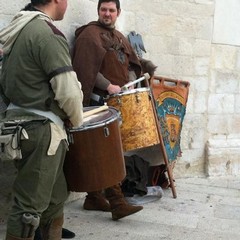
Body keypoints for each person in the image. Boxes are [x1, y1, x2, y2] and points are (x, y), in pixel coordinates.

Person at [0, 0, 84, 239]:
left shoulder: (16, 31)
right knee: (29, 209)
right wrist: (77, 120)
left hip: (20, 127)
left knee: (56, 197)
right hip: (42, 132)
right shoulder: (46, 34)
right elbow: (67, 90)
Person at [72, 0, 156, 221]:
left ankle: (93, 197)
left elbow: (130, 64)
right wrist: (108, 86)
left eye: (111, 10)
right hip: (98, 102)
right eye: (103, 10)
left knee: (103, 151)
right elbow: (85, 68)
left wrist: (129, 82)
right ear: (98, 11)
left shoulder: (119, 37)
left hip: (119, 101)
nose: (107, 14)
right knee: (107, 152)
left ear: (118, 13)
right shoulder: (89, 35)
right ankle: (117, 202)